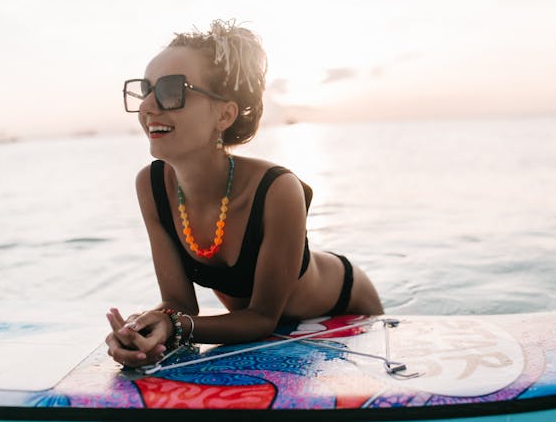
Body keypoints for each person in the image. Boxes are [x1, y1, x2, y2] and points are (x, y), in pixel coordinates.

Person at [106, 20, 383, 368]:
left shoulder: (277, 189)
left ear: (224, 114)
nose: (147, 106)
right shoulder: (151, 185)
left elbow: (263, 317)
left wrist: (175, 326)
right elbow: (179, 304)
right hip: (269, 327)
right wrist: (142, 329)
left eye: (170, 90)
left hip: (347, 302)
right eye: (145, 89)